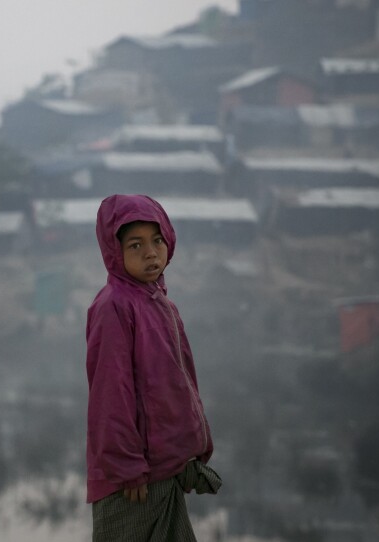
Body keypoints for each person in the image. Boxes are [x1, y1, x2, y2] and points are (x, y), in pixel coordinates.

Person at [86, 194, 221, 542]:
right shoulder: (114, 307)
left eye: (157, 240)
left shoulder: (158, 301)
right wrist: (126, 467)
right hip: (133, 484)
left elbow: (177, 382)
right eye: (135, 245)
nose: (151, 252)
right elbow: (110, 395)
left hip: (162, 472)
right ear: (115, 253)